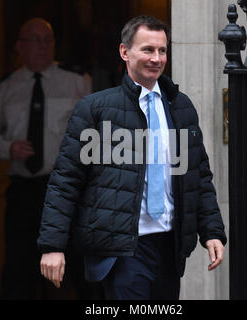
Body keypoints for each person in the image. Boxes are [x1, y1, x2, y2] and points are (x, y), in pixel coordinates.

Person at [37, 15, 227, 300]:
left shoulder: (180, 106)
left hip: (169, 248)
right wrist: (52, 245)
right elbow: (65, 181)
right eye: (148, 49)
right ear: (125, 52)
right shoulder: (95, 109)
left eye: (162, 50)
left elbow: (198, 175)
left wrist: (211, 231)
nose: (157, 58)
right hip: (123, 250)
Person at [0, 18, 91, 299]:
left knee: (76, 268)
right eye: (35, 40)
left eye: (47, 40)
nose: (42, 46)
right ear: (19, 46)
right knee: (20, 270)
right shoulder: (4, 90)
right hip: (24, 193)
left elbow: (95, 135)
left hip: (66, 190)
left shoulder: (77, 81)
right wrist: (8, 148)